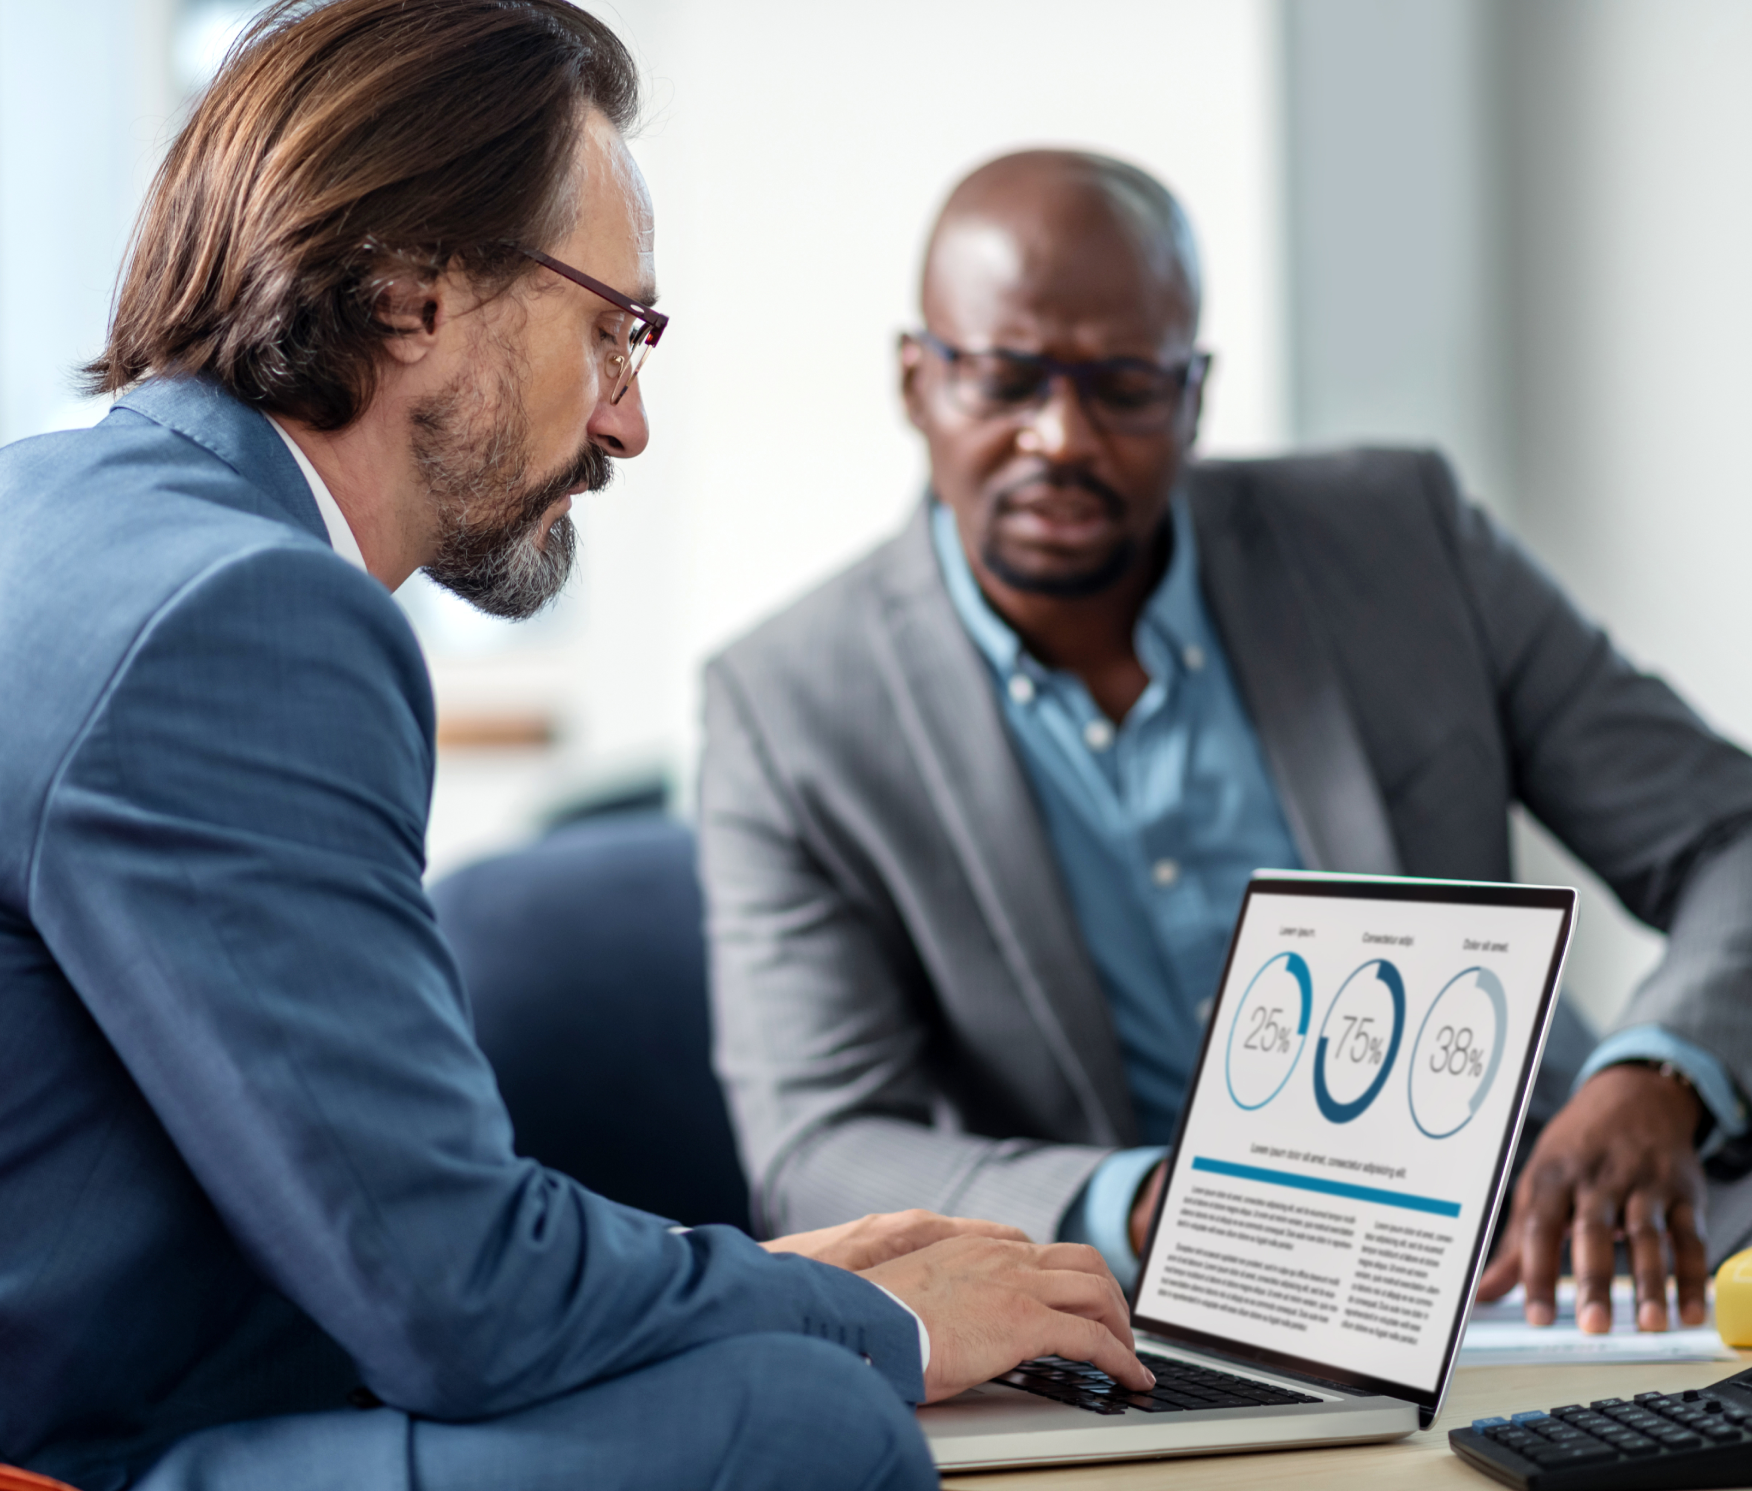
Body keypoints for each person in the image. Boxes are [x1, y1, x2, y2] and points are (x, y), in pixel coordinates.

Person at [0, 10, 1156, 1489]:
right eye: (614, 326)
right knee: (804, 1421)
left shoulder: (63, 509)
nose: (628, 419)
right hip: (77, 1451)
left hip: (111, 1365)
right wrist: (866, 1314)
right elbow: (448, 1294)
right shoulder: (246, 612)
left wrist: (735, 1283)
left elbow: (364, 1224)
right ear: (412, 295)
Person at [699, 148, 1752, 1346]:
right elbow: (818, 1146)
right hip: (1158, 1327)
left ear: (1194, 392)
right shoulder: (788, 708)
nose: (1059, 438)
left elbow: (1729, 833)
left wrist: (1658, 1075)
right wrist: (1151, 1208)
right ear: (914, 379)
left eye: (1125, 385)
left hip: (1570, 1271)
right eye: (1004, 379)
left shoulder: (1400, 543)